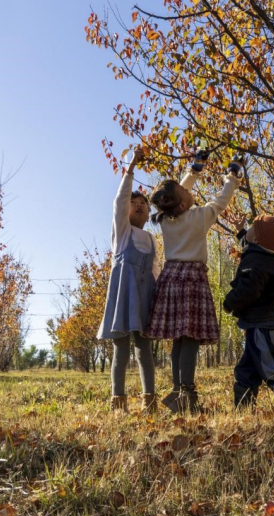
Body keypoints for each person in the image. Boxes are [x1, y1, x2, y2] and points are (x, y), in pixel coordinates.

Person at [146, 150, 243, 412]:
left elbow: (177, 194)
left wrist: (195, 170)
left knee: (179, 339)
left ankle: (179, 391)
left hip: (171, 279)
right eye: (186, 191)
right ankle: (187, 395)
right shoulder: (199, 217)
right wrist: (232, 176)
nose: (190, 192)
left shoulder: (166, 219)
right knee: (189, 339)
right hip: (191, 281)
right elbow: (221, 201)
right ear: (180, 204)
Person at [98, 146, 160, 413]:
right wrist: (132, 165)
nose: (138, 205)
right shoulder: (121, 234)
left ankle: (150, 401)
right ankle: (118, 403)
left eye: (143, 204)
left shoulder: (151, 239)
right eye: (133, 203)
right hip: (123, 298)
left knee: (145, 351)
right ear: (125, 212)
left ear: (148, 214)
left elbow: (156, 270)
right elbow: (119, 199)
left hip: (145, 298)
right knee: (121, 350)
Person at [223, 213, 274, 408]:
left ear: (256, 239)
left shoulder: (256, 262)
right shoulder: (266, 256)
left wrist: (230, 302)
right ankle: (243, 409)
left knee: (272, 366)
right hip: (260, 322)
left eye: (251, 229)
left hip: (262, 324)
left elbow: (248, 290)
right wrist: (241, 231)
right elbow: (251, 246)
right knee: (247, 369)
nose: (247, 231)